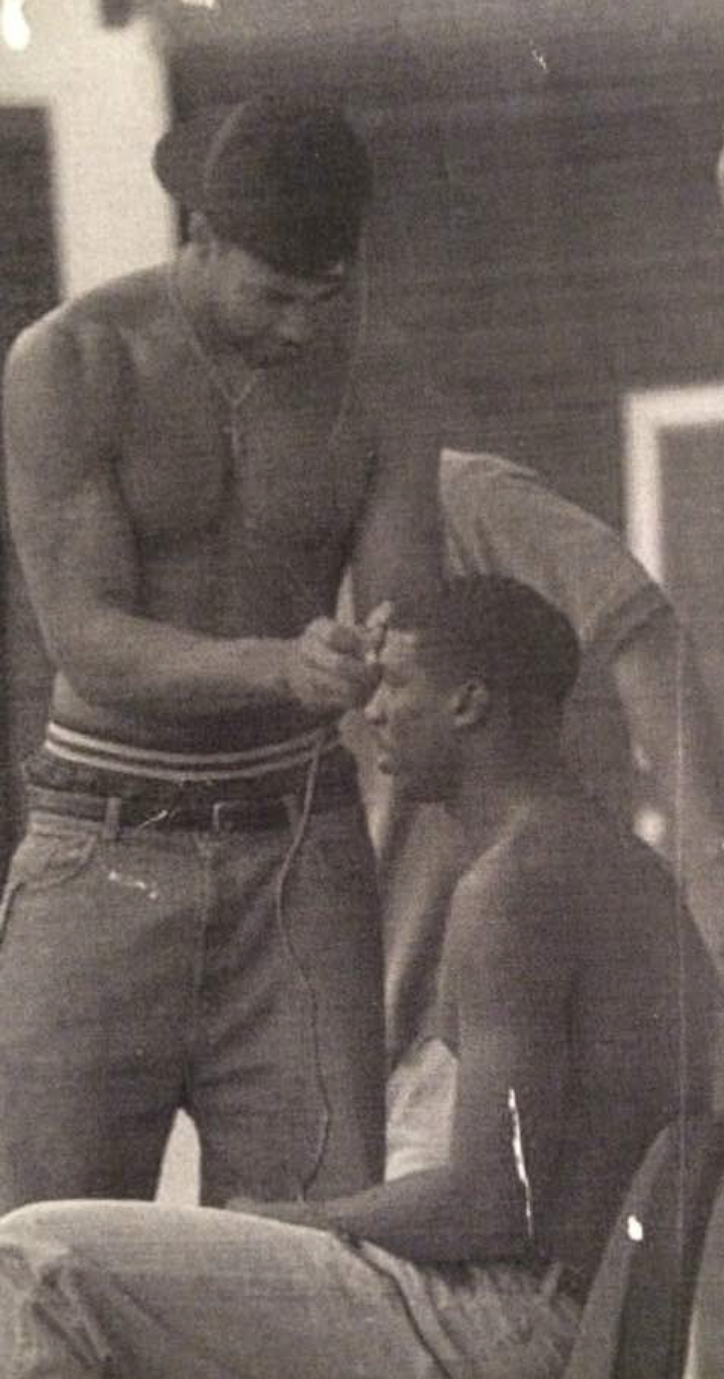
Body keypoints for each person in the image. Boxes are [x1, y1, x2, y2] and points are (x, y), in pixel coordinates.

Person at [0, 575, 715, 1379]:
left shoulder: (515, 887)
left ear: (468, 704)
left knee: (36, 1257)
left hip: (496, 1322)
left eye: (396, 685)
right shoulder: (629, 873)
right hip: (549, 1313)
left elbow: (489, 1203)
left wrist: (298, 1218)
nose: (369, 711)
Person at [0, 95, 442, 1214]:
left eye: (325, 296)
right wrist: (278, 669)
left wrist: (385, 653)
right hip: (101, 854)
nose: (302, 329)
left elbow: (407, 607)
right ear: (200, 231)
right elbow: (88, 641)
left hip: (302, 851)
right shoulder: (74, 360)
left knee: (313, 1253)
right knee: (53, 1254)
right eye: (273, 294)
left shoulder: (379, 372)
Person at [378, 447, 724, 1177]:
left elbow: (637, 625)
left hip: (465, 1017)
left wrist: (709, 870)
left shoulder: (452, 496)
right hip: (339, 1029)